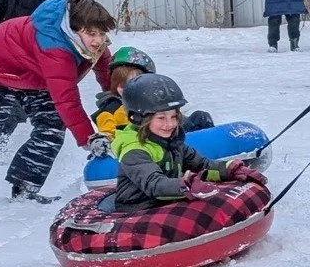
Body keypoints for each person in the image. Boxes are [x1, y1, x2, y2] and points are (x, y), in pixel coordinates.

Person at [0, 0, 114, 201]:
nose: (98, 40)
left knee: (52, 127)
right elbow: (67, 100)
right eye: (91, 34)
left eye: (102, 34)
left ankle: (24, 191)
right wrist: (89, 138)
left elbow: (106, 72)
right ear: (74, 29)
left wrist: (116, 102)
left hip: (34, 76)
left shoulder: (93, 43)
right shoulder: (56, 48)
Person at [110, 74, 262, 212]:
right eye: (161, 118)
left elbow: (203, 165)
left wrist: (230, 170)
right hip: (138, 209)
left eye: (174, 117)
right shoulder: (134, 151)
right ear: (139, 118)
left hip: (166, 203)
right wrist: (186, 185)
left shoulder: (173, 143)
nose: (170, 124)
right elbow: (155, 185)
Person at [92, 46, 212, 138]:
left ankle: (211, 145)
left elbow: (171, 117)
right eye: (124, 85)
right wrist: (104, 141)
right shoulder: (110, 109)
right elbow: (107, 134)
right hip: (140, 148)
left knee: (200, 117)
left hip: (166, 138)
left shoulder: (150, 101)